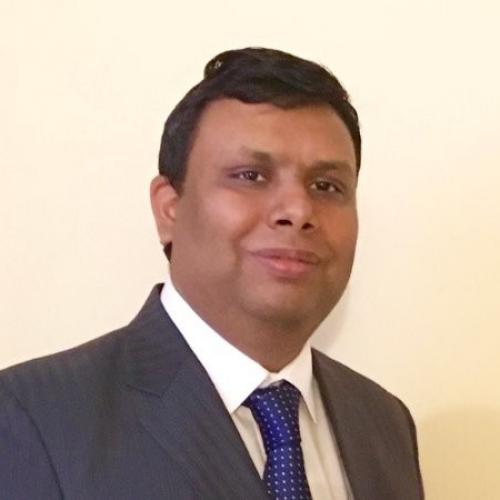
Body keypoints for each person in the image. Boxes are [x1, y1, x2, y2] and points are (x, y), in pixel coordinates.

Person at [0, 48, 424, 499]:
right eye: (251, 176)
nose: (298, 210)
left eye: (326, 186)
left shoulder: (384, 422)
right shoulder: (34, 417)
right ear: (169, 208)